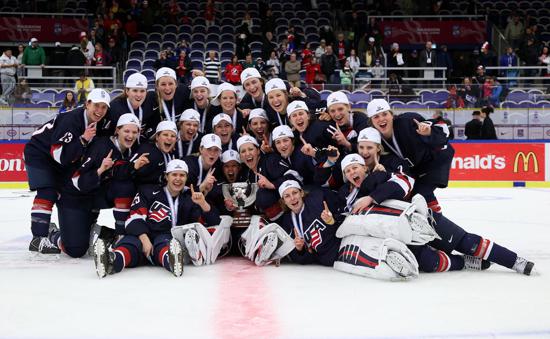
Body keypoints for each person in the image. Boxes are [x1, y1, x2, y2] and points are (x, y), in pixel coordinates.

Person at [366, 100, 534, 275]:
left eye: (384, 114)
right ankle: (460, 256)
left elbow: (443, 130)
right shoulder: (378, 144)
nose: (381, 119)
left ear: (391, 115)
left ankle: (513, 260)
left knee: (429, 211)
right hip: (415, 176)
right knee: (428, 220)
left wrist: (429, 131)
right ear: (371, 121)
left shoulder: (409, 120)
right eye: (376, 116)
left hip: (433, 164)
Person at [93, 159, 221, 278]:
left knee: (164, 243)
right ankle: (111, 260)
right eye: (174, 175)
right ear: (166, 176)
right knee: (130, 243)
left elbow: (214, 222)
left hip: (168, 238)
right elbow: (134, 217)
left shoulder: (190, 197)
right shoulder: (148, 191)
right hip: (143, 235)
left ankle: (173, 260)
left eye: (182, 175)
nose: (178, 179)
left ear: (186, 177)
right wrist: (144, 239)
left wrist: (203, 204)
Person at [24, 88, 110, 255]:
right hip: (39, 153)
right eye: (96, 106)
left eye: (104, 107)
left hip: (59, 160)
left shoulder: (99, 123)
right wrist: (83, 139)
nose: (99, 111)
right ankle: (38, 238)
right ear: (87, 104)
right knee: (48, 190)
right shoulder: (71, 120)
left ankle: (66, 230)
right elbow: (58, 155)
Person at [48, 114, 146, 256]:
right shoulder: (102, 146)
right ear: (117, 130)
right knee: (76, 250)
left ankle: (120, 235)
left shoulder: (132, 149)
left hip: (95, 195)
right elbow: (77, 180)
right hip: (74, 197)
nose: (130, 135)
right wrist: (100, 170)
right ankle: (53, 233)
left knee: (125, 185)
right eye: (126, 131)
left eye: (134, 132)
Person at [278, 180, 341, 266]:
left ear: (302, 193)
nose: (292, 198)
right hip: (329, 265)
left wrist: (332, 220)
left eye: (295, 192)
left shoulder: (318, 199)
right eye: (287, 196)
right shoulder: (287, 222)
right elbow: (302, 259)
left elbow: (344, 213)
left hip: (344, 248)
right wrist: (300, 249)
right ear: (284, 201)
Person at [103, 72, 157, 140]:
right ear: (127, 91)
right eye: (135, 90)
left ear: (146, 92)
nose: (139, 95)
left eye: (142, 91)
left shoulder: (150, 102)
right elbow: (106, 135)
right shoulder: (115, 108)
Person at [133, 121, 178, 186]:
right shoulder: (148, 152)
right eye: (165, 135)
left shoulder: (171, 153)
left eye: (173, 136)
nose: (169, 138)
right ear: (157, 137)